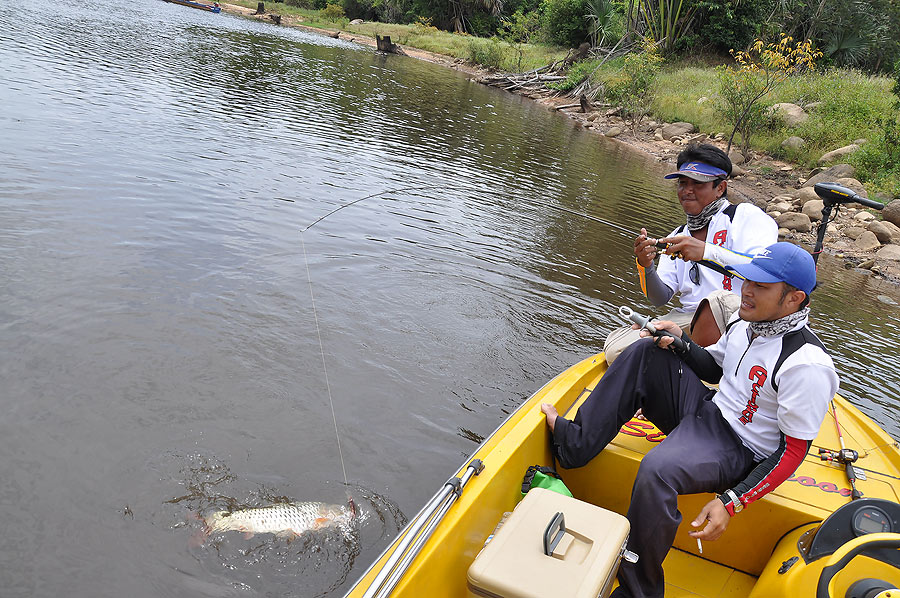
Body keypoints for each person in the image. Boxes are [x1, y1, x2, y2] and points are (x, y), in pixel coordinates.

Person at [541, 242, 839, 598]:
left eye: (761, 286)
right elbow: (714, 368)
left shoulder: (806, 366)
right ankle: (574, 445)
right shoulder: (747, 324)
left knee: (657, 471)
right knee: (645, 351)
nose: (746, 290)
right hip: (707, 410)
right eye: (748, 280)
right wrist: (681, 342)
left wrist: (733, 501)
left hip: (738, 448)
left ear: (794, 299)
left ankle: (640, 591)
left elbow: (792, 452)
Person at [603, 144, 778, 363]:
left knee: (717, 300)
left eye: (698, 184)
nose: (687, 190)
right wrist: (645, 265)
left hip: (738, 315)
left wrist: (705, 251)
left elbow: (765, 271)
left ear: (720, 188)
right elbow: (660, 298)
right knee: (615, 349)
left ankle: (691, 363)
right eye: (683, 183)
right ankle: (675, 352)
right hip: (687, 318)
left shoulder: (746, 216)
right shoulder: (677, 235)